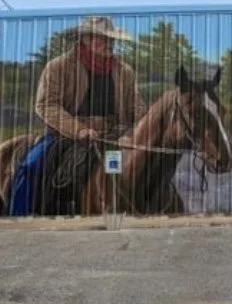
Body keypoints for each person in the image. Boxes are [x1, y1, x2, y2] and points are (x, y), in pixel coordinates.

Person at [8, 16, 148, 216]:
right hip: (65, 135)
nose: (109, 44)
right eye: (102, 39)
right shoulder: (58, 66)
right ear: (85, 39)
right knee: (31, 167)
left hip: (113, 134)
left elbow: (136, 105)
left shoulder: (124, 71)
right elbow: (46, 104)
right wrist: (79, 130)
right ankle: (19, 219)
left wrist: (146, 123)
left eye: (111, 40)